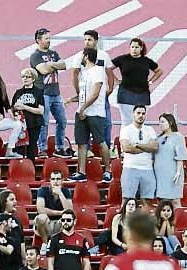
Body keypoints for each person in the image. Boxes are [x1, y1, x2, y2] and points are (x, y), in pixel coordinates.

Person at [68, 48, 112, 183]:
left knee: (100, 142)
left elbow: (95, 94)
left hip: (95, 113)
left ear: (86, 57)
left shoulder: (98, 71)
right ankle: (81, 172)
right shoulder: (83, 73)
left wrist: (83, 109)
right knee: (81, 143)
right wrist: (72, 100)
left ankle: (108, 171)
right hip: (82, 112)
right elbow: (84, 94)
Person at [29, 28, 71, 157]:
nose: (49, 41)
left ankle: (60, 148)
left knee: (62, 120)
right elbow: (43, 70)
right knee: (44, 122)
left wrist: (50, 64)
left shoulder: (54, 53)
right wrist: (54, 64)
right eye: (46, 38)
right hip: (43, 93)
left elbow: (64, 65)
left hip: (56, 93)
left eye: (49, 38)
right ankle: (42, 148)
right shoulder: (35, 55)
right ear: (38, 40)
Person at [111, 38, 162, 126]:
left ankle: (139, 139)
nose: (134, 49)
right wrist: (115, 80)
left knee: (140, 121)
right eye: (132, 47)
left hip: (143, 94)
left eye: (136, 47)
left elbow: (159, 71)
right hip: (125, 93)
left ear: (141, 48)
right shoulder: (123, 59)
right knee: (127, 121)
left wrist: (150, 81)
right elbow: (108, 68)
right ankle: (125, 139)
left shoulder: (146, 61)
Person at [118, 105, 158, 202]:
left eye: (143, 113)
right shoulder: (126, 130)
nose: (141, 116)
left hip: (147, 169)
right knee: (127, 200)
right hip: (130, 168)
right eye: (138, 113)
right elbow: (126, 148)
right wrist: (146, 147)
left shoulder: (150, 130)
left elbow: (154, 147)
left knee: (147, 201)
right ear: (133, 115)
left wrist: (137, 145)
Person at [11, 68, 45, 160]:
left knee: (31, 147)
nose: (25, 79)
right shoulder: (18, 92)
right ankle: (19, 169)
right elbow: (12, 108)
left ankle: (31, 168)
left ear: (33, 79)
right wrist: (14, 114)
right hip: (20, 125)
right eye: (23, 77)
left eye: (28, 77)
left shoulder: (38, 92)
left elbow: (41, 111)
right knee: (19, 147)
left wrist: (25, 107)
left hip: (34, 123)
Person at [34, 170, 72, 243]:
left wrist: (60, 194)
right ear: (50, 180)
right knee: (41, 218)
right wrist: (60, 213)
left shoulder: (66, 191)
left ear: (62, 180)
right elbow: (40, 210)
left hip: (60, 223)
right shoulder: (42, 190)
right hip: (45, 224)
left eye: (58, 179)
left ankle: (60, 244)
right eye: (53, 179)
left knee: (67, 219)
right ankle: (45, 244)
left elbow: (69, 211)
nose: (55, 181)